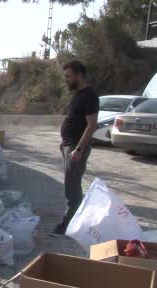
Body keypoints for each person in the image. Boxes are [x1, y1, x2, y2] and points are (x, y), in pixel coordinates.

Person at [51, 60, 99, 237]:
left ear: (79, 75)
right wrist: (64, 142)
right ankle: (75, 219)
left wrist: (78, 149)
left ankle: (69, 224)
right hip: (69, 145)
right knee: (70, 185)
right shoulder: (77, 94)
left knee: (72, 187)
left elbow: (91, 125)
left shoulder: (89, 95)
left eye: (68, 76)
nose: (66, 79)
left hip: (76, 148)